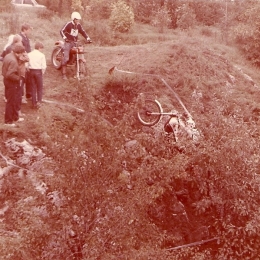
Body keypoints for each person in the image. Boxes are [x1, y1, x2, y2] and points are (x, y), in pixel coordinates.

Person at [60, 11, 91, 80]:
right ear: (73, 19)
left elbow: (83, 32)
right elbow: (61, 31)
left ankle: (79, 72)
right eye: (77, 19)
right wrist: (65, 38)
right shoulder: (69, 24)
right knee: (66, 58)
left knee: (79, 55)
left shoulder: (78, 25)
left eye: (78, 19)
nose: (78, 21)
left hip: (75, 42)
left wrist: (88, 38)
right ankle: (64, 74)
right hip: (68, 42)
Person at [2, 44, 26, 126]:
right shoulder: (14, 61)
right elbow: (10, 74)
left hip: (6, 80)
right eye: (21, 53)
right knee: (11, 101)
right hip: (11, 82)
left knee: (14, 99)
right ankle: (8, 121)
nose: (22, 55)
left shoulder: (8, 55)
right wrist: (18, 78)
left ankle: (15, 117)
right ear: (17, 53)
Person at [28, 41, 47, 109]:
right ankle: (39, 102)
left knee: (33, 87)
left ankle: (33, 103)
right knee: (39, 88)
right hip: (38, 72)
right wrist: (42, 73)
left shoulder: (29, 54)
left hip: (31, 71)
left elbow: (27, 64)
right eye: (41, 48)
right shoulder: (42, 55)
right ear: (39, 48)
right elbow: (44, 66)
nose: (42, 50)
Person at [19, 23, 32, 99]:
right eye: (29, 30)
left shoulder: (26, 37)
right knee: (23, 77)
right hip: (22, 60)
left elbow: (29, 49)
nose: (30, 31)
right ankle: (21, 95)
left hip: (27, 58)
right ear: (24, 30)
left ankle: (28, 93)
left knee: (29, 75)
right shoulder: (19, 38)